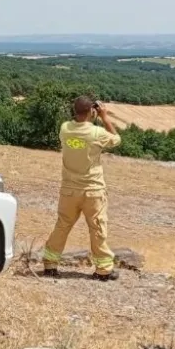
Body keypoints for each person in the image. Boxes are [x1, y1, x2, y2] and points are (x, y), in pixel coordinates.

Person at [42, 96, 122, 281]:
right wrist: (105, 117)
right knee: (97, 228)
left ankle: (50, 263)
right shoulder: (96, 133)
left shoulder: (65, 129)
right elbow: (116, 140)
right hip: (92, 190)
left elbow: (75, 130)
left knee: (62, 225)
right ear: (91, 112)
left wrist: (91, 115)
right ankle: (103, 269)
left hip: (69, 189)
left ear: (74, 110)